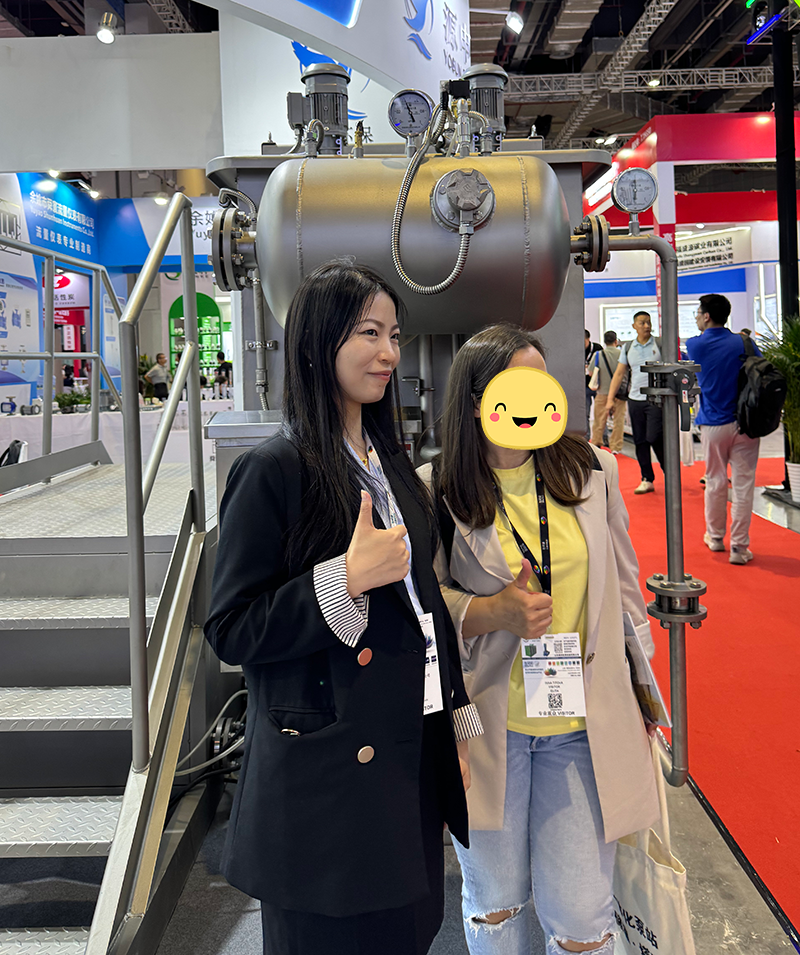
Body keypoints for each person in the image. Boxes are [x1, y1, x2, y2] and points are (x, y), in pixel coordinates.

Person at [204, 262, 481, 955]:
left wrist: (456, 716)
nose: (389, 353)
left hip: (406, 757)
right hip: (324, 786)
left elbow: (423, 607)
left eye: (394, 334)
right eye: (368, 333)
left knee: (409, 932)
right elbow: (231, 627)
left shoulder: (392, 462)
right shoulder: (275, 469)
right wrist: (343, 580)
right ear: (316, 342)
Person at [423, 323, 659, 955]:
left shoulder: (594, 472)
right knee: (495, 905)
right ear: (477, 400)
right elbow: (426, 609)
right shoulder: (437, 488)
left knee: (583, 921)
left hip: (584, 726)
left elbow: (626, 591)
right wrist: (490, 611)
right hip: (484, 727)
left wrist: (644, 696)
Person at [686, 294, 760, 564]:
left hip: (712, 424)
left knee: (715, 481)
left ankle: (715, 537)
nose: (697, 318)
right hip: (746, 423)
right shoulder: (744, 342)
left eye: (698, 313)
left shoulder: (694, 345)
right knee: (743, 485)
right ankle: (739, 547)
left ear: (707, 316)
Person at [606, 311, 664, 494]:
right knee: (640, 440)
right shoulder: (628, 347)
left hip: (656, 399)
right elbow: (619, 374)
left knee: (655, 437)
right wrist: (610, 399)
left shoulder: (659, 344)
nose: (646, 326)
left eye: (648, 322)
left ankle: (669, 472)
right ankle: (647, 478)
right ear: (634, 326)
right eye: (642, 323)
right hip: (635, 399)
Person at [590, 330, 625, 453]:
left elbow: (591, 372)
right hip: (619, 394)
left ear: (605, 341)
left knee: (599, 420)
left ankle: (596, 443)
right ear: (616, 341)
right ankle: (616, 447)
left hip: (602, 392)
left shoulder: (598, 355)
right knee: (618, 421)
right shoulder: (622, 355)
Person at [584, 329, 602, 440]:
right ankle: (586, 437)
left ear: (588, 339)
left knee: (600, 413)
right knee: (585, 413)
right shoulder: (577, 350)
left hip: (597, 385)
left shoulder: (597, 349)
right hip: (584, 386)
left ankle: (602, 437)